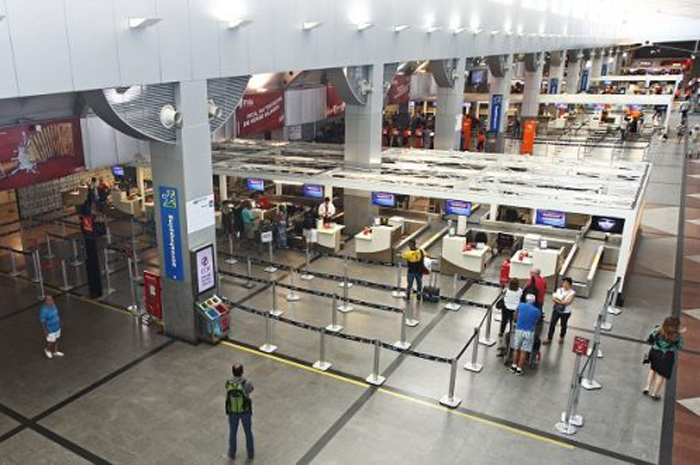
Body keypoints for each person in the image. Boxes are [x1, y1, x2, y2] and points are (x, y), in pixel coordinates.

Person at [644, 317, 684, 401]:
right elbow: (679, 347)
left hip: (655, 353)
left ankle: (647, 387)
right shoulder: (677, 337)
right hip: (667, 356)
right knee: (661, 375)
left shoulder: (657, 331)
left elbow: (650, 340)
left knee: (652, 370)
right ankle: (654, 393)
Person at [225, 364, 254, 460]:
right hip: (245, 411)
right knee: (248, 432)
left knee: (233, 432)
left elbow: (226, 388)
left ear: (232, 372)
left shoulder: (228, 382)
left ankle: (232, 453)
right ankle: (250, 453)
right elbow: (251, 389)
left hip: (232, 412)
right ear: (242, 372)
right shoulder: (246, 383)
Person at [511, 294, 541, 376]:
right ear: (534, 301)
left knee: (516, 348)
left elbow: (515, 316)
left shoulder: (520, 305)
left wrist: (516, 321)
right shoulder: (536, 311)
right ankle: (519, 369)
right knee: (523, 351)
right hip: (529, 331)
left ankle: (513, 365)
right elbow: (537, 321)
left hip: (519, 329)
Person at [542, 277, 576, 345]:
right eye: (563, 283)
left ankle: (562, 337)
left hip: (566, 312)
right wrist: (561, 301)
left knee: (563, 324)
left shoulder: (572, 293)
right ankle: (549, 338)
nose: (564, 284)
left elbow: (568, 302)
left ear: (570, 284)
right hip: (556, 310)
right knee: (552, 323)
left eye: (566, 283)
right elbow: (554, 299)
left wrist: (559, 301)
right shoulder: (559, 290)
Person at [498, 278, 523, 356]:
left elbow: (502, 293)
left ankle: (501, 333)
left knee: (504, 321)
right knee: (513, 322)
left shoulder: (506, 290)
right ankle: (511, 335)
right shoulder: (520, 291)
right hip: (515, 309)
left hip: (506, 308)